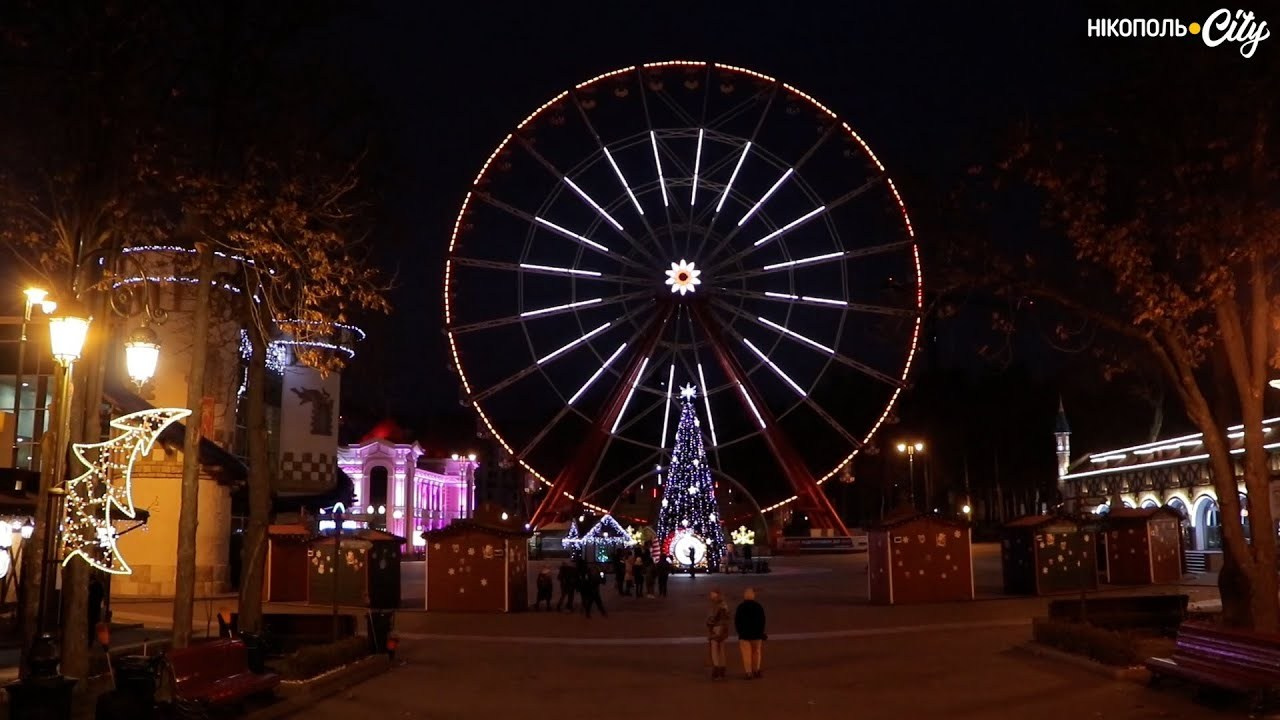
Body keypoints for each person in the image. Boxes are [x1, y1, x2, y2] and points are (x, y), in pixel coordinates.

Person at [735, 588, 767, 679]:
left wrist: (740, 632)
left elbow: (737, 621)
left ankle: (748, 672)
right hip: (757, 635)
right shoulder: (758, 606)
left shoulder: (740, 607)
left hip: (744, 635)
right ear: (753, 596)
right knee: (756, 653)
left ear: (744, 596)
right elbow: (762, 621)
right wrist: (761, 632)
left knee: (746, 654)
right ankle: (756, 670)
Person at [705, 590, 730, 680]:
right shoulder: (724, 604)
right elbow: (727, 617)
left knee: (714, 649)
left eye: (711, 594)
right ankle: (722, 669)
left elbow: (712, 618)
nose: (710, 596)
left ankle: (716, 669)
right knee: (722, 649)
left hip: (716, 628)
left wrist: (709, 623)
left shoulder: (716, 605)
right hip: (723, 629)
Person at [87, 575, 105, 647]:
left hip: (91, 609)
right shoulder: (99, 586)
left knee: (91, 626)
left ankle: (90, 641)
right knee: (95, 625)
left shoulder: (91, 587)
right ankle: (93, 641)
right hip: (96, 609)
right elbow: (101, 596)